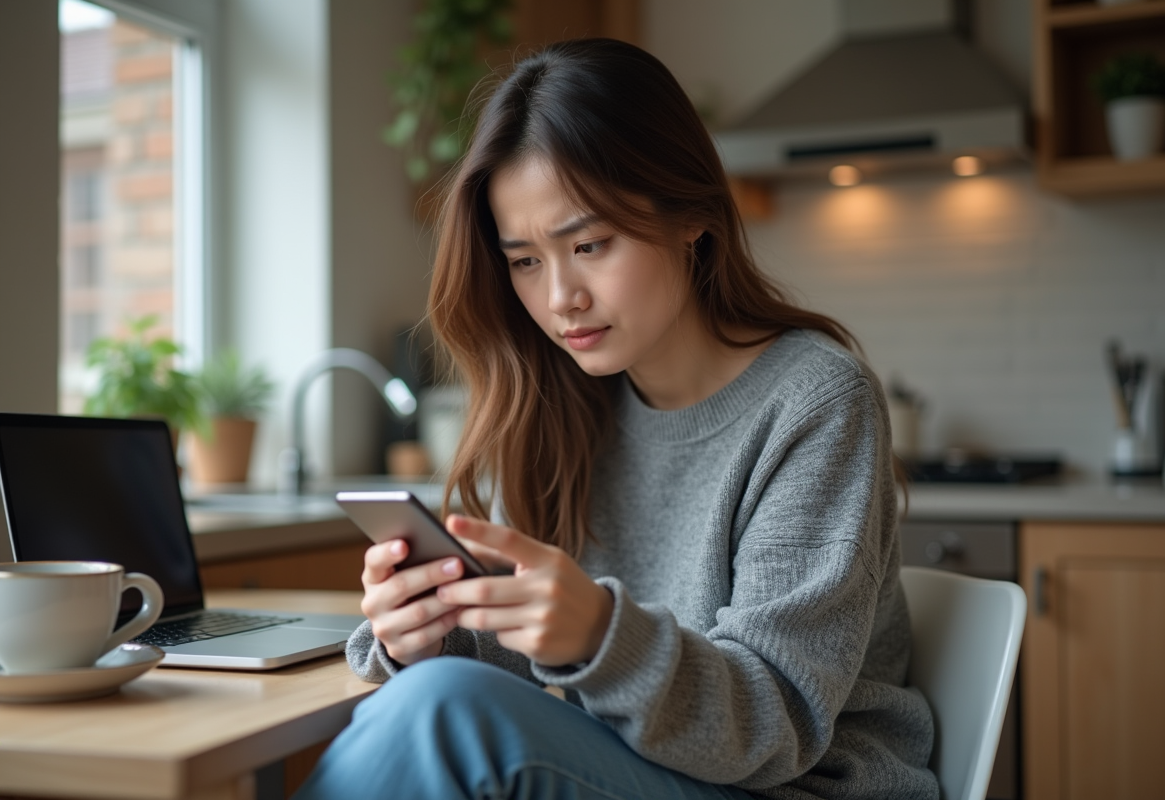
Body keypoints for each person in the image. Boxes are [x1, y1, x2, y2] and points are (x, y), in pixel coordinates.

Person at [295, 38, 937, 800]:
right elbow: (519, 670)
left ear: (690, 214)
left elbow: (780, 724)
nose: (560, 296)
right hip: (643, 769)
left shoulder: (816, 399)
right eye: (525, 260)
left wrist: (598, 634)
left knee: (444, 719)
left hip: (790, 785)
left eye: (590, 244)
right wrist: (427, 635)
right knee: (426, 697)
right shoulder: (556, 406)